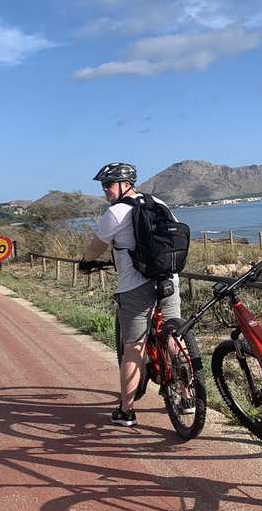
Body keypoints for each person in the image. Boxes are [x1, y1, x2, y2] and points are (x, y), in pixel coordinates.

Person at [79, 162, 182, 427]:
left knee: (133, 348)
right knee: (173, 334)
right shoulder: (158, 202)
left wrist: (85, 262)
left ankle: (126, 410)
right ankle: (187, 396)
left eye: (109, 184)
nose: (105, 190)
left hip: (135, 286)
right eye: (103, 185)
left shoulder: (115, 213)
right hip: (169, 278)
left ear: (126, 184)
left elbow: (95, 247)